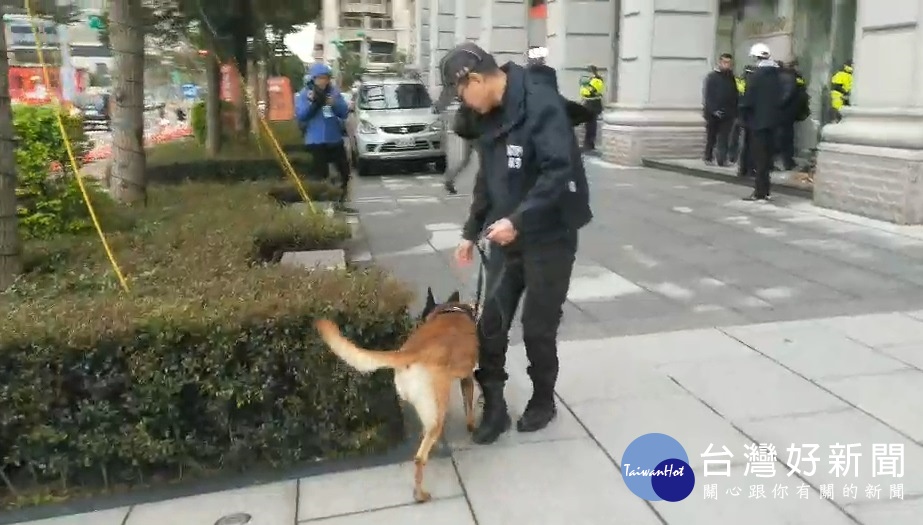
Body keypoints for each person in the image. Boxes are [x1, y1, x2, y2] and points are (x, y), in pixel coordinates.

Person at [437, 42, 592, 445]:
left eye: (460, 95)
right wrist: (471, 230)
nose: (463, 105)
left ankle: (543, 400)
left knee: (538, 327)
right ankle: (496, 407)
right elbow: (488, 178)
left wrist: (518, 220)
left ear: (474, 79)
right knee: (491, 323)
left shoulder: (541, 105)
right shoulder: (485, 115)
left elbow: (559, 172)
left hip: (549, 236)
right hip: (505, 237)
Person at [295, 63, 354, 211]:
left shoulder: (333, 92)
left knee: (344, 172)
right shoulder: (305, 94)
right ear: (313, 79)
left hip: (334, 139)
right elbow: (301, 116)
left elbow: (344, 112)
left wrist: (333, 104)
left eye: (326, 78)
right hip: (315, 141)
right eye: (320, 78)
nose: (323, 81)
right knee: (320, 176)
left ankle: (340, 203)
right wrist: (314, 104)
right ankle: (321, 207)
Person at [738, 43, 787, 201]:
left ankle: (760, 192)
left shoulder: (756, 76)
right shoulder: (778, 75)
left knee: (759, 158)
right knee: (767, 159)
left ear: (756, 57)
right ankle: (765, 191)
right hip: (774, 122)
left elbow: (748, 99)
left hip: (758, 122)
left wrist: (742, 113)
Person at [702, 53, 738, 166]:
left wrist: (734, 109)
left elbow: (735, 94)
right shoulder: (712, 77)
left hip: (728, 112)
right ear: (720, 62)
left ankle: (722, 159)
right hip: (713, 113)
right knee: (711, 136)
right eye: (724, 62)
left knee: (724, 137)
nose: (726, 65)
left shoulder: (732, 78)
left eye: (729, 63)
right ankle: (708, 157)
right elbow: (708, 95)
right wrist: (713, 110)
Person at [777, 60, 810, 171]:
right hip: (788, 113)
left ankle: (786, 161)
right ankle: (787, 161)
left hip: (785, 112)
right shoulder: (791, 77)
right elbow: (791, 94)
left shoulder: (783, 76)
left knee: (784, 137)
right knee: (786, 138)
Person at [579, 65, 605, 153]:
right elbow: (584, 92)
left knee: (591, 125)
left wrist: (584, 88)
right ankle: (588, 143)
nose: (588, 74)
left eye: (589, 71)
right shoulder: (590, 81)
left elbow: (589, 92)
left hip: (593, 104)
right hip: (589, 103)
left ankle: (589, 144)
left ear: (593, 72)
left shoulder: (597, 80)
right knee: (588, 125)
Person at [728, 65, 751, 164]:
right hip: (743, 113)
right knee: (741, 138)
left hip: (737, 112)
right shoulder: (750, 83)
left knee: (735, 137)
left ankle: (733, 156)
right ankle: (737, 157)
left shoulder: (738, 81)